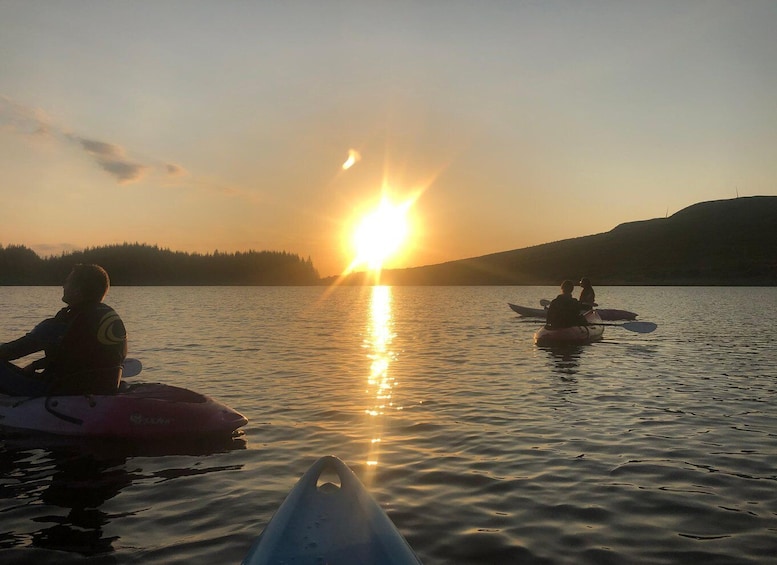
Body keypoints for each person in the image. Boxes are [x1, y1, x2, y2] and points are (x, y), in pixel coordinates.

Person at [0, 264, 127, 396]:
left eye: (67, 282)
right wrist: (36, 364)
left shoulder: (62, 323)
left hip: (59, 393)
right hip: (101, 390)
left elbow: (12, 351)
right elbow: (83, 358)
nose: (63, 286)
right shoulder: (109, 318)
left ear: (77, 290)